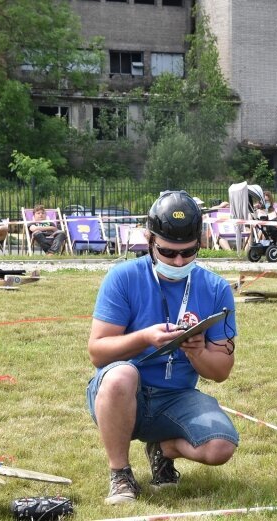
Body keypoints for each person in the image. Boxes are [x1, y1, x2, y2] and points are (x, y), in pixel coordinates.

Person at [86, 190, 238, 505]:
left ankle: (163, 448)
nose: (179, 261)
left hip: (177, 397)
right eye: (168, 253)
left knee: (221, 447)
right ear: (149, 239)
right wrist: (144, 338)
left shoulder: (216, 288)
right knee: (120, 376)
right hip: (124, 393)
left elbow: (221, 371)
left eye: (189, 252)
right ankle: (120, 474)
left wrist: (196, 350)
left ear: (201, 241)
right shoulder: (122, 278)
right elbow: (97, 352)